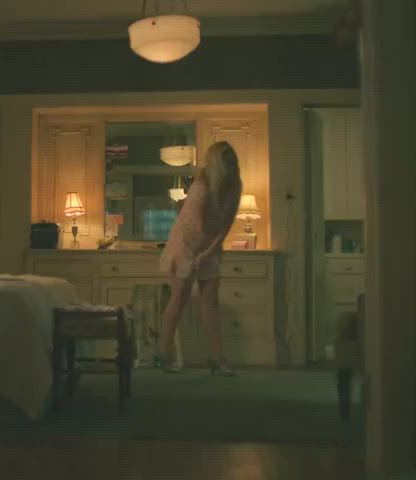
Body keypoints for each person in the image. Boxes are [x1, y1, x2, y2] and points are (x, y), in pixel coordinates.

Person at [156, 141, 242, 375]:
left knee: (211, 303)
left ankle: (218, 359)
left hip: (210, 246)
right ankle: (163, 354)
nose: (231, 166)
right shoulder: (201, 187)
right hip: (184, 245)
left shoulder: (234, 185)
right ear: (216, 164)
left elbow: (227, 223)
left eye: (232, 161)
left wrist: (209, 252)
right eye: (226, 161)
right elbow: (193, 227)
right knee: (179, 299)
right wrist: (196, 257)